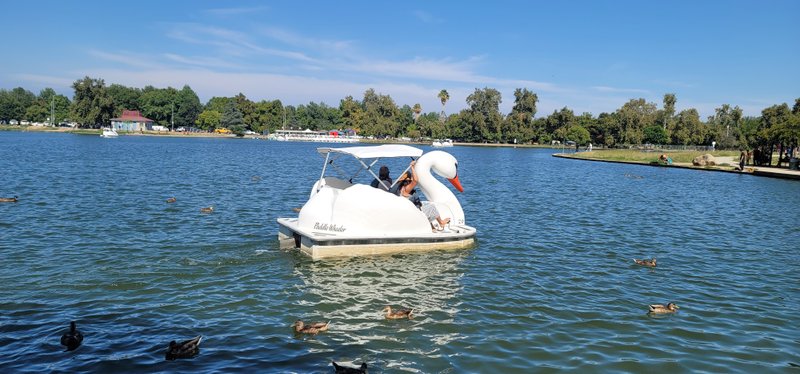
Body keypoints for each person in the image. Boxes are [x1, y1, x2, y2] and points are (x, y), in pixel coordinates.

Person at [394, 160, 450, 231]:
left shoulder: (399, 188)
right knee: (432, 207)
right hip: (414, 212)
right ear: (408, 180)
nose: (412, 179)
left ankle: (432, 227)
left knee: (424, 204)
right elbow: (416, 180)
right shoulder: (406, 189)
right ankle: (441, 222)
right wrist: (412, 167)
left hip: (408, 209)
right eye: (411, 178)